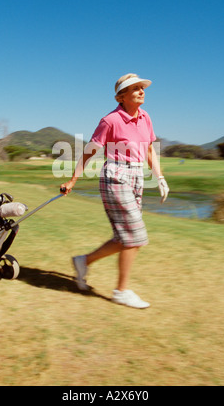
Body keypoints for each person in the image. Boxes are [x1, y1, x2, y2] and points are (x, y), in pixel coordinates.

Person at [60, 73, 169, 309]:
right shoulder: (110, 120)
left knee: (126, 237)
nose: (142, 91)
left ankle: (83, 261)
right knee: (135, 236)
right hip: (116, 177)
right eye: (135, 88)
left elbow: (149, 150)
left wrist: (160, 177)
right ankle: (122, 291)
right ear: (121, 96)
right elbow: (90, 151)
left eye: (142, 87)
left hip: (137, 176)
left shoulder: (146, 117)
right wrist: (73, 179)